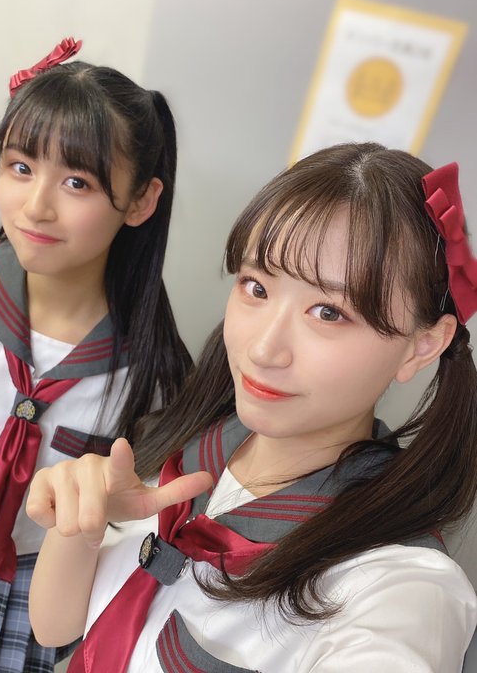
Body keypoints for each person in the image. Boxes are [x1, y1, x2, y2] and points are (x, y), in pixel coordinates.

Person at [27, 142, 477, 672]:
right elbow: (56, 629)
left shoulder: (400, 590)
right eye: (256, 287)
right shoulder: (182, 446)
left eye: (328, 312)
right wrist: (79, 529)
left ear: (423, 345)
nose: (263, 350)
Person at [0, 37, 191, 673]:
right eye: (20, 166)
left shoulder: (151, 369)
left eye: (77, 182)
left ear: (141, 200)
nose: (35, 206)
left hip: (32, 589)